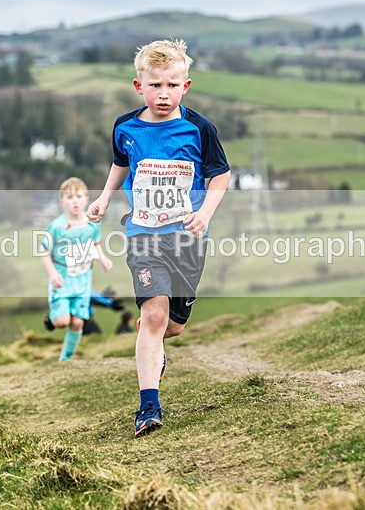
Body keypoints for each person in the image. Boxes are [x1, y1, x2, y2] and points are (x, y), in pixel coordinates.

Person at [87, 39, 231, 437]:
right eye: (155, 85)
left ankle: (154, 342)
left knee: (173, 325)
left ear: (185, 86)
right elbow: (120, 162)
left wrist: (205, 213)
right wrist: (104, 198)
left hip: (187, 239)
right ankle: (148, 406)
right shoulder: (125, 127)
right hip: (143, 235)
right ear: (139, 86)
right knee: (154, 315)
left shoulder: (200, 128)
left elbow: (220, 175)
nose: (163, 94)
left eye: (171, 85)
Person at [40, 178, 113, 361]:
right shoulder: (57, 226)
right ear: (62, 201)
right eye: (70, 197)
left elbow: (96, 242)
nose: (75, 201)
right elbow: (43, 249)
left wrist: (103, 258)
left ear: (86, 199)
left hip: (82, 280)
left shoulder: (92, 223)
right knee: (62, 321)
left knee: (78, 323)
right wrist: (53, 273)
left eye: (79, 196)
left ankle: (65, 360)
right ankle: (54, 312)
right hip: (62, 280)